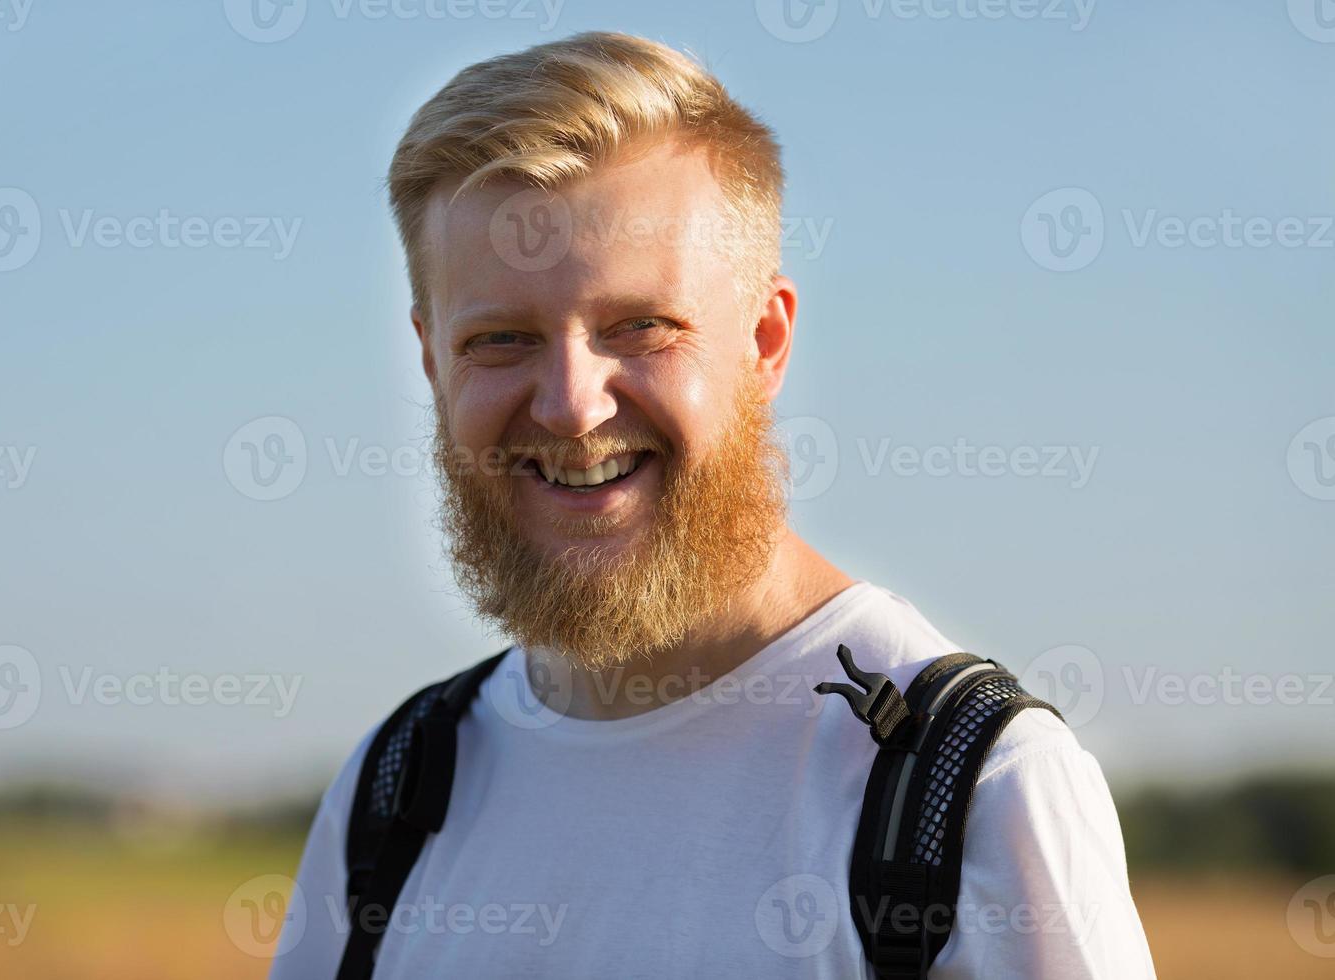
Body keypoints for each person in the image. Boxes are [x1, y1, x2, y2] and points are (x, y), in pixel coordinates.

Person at [271, 30, 1156, 978]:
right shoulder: (392, 795)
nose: (572, 405)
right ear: (429, 360)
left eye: (641, 326)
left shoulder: (973, 790)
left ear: (765, 342)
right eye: (500, 339)